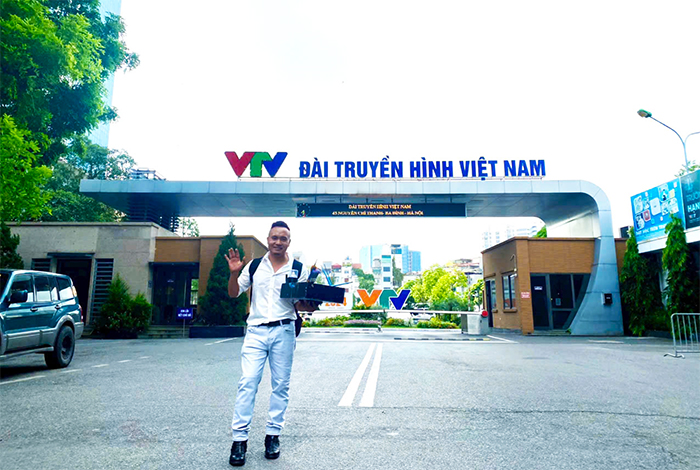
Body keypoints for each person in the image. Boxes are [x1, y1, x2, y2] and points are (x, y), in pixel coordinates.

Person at [225, 221, 319, 466]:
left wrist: (312, 303)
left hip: (284, 330)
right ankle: (239, 440)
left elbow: (299, 304)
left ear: (289, 242)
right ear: (268, 239)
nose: (278, 242)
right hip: (256, 331)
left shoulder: (298, 268)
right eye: (274, 237)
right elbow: (233, 293)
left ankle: (273, 436)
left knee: (280, 385)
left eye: (283, 238)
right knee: (247, 383)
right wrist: (234, 272)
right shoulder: (254, 266)